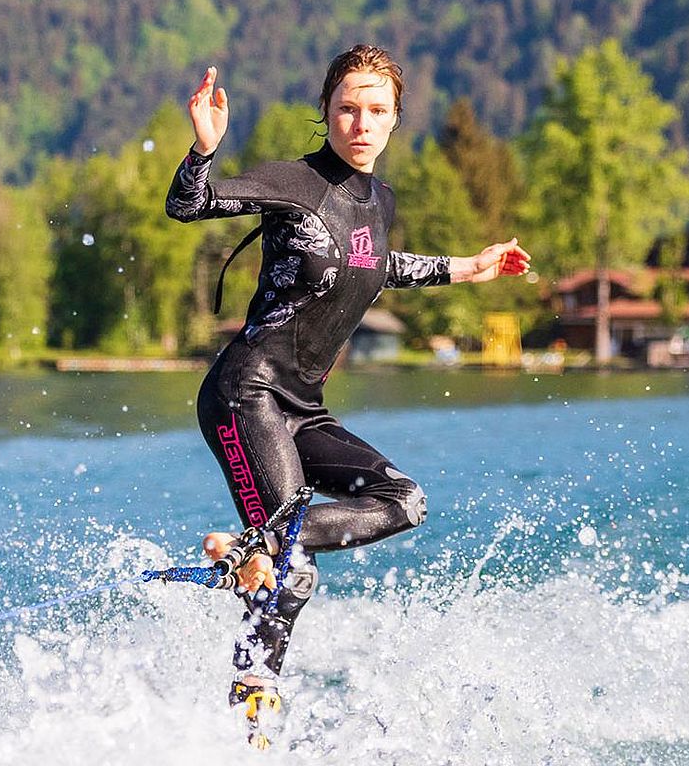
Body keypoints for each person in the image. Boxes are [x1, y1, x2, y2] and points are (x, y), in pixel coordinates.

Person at [164, 44, 531, 743]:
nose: (361, 122)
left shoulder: (378, 199)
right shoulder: (294, 182)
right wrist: (202, 149)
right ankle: (253, 701)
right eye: (347, 109)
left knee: (404, 502)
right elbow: (190, 205)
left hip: (306, 406)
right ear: (327, 112)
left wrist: (467, 269)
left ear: (395, 120)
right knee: (291, 569)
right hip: (247, 395)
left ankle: (258, 547)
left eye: (377, 110)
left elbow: (376, 265)